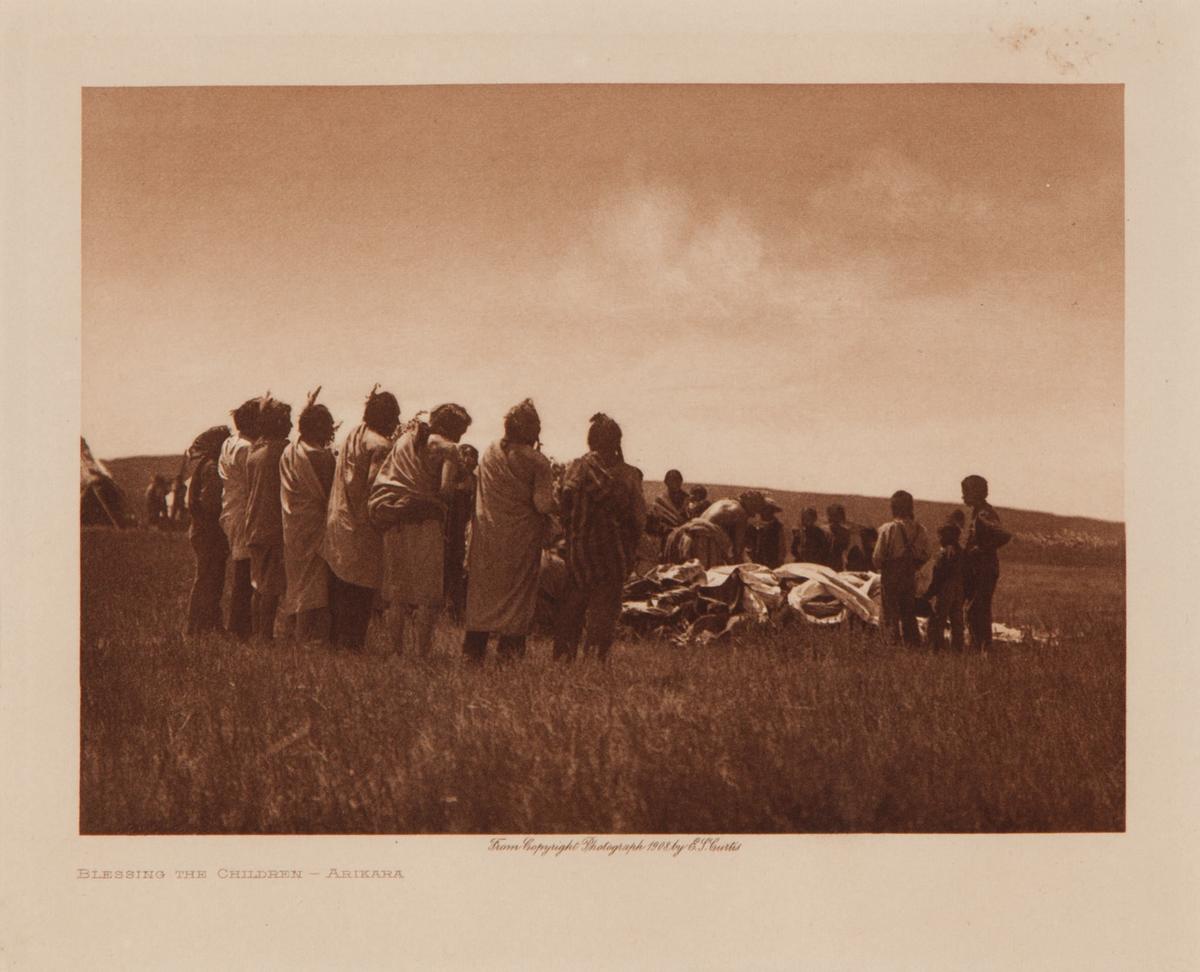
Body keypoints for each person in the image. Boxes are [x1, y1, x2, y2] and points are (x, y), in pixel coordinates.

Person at [369, 403, 472, 657]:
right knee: (427, 595)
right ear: (454, 428)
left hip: (394, 515)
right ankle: (420, 655)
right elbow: (446, 491)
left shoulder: (406, 439)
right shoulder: (449, 449)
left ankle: (395, 653)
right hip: (425, 520)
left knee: (397, 594)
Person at [462, 399, 558, 664]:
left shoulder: (490, 451)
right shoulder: (537, 461)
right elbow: (542, 503)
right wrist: (559, 505)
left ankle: (473, 654)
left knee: (483, 596)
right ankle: (509, 659)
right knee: (517, 598)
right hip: (520, 538)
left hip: (488, 535)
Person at [553, 414, 645, 662]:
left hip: (578, 551)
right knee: (604, 610)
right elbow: (638, 519)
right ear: (617, 441)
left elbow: (562, 507)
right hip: (612, 553)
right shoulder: (629, 475)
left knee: (572, 606)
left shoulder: (574, 467)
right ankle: (595, 660)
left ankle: (563, 658)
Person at [322, 387, 400, 651]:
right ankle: (351, 645)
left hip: (337, 517)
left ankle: (334, 643)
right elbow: (375, 487)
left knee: (339, 585)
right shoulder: (380, 445)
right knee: (360, 587)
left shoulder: (353, 436)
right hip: (361, 522)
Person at [280, 393, 337, 644]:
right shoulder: (322, 457)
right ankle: (307, 637)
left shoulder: (291, 451)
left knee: (297, 580)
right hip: (314, 522)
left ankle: (291, 633)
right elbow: (331, 493)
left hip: (292, 522)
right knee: (314, 583)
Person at [244, 397, 292, 642]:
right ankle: (265, 635)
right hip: (272, 525)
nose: (292, 426)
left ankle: (257, 633)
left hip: (253, 525)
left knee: (258, 585)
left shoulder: (255, 452)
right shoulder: (282, 451)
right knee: (271, 587)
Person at [183, 425, 232, 635]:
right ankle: (196, 627)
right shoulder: (212, 468)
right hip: (209, 532)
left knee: (208, 578)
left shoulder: (204, 465)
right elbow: (211, 503)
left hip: (203, 531)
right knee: (209, 579)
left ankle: (207, 625)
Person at [219, 397, 260, 640]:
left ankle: (239, 626)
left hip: (232, 510)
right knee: (246, 573)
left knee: (242, 570)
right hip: (244, 512)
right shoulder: (246, 448)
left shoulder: (229, 443)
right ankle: (240, 627)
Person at [872, 490, 931, 646]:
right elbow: (927, 554)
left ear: (894, 508)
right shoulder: (921, 529)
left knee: (889, 610)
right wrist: (915, 565)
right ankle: (912, 642)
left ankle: (890, 643)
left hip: (891, 574)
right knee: (908, 610)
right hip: (910, 574)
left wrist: (884, 567)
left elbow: (877, 557)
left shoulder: (888, 528)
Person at [961, 474, 1011, 650]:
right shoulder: (981, 512)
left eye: (966, 492)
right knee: (977, 610)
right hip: (980, 569)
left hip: (983, 569)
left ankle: (980, 648)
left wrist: (981, 549)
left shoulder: (983, 514)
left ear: (975, 492)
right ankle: (981, 647)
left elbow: (1003, 535)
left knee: (976, 611)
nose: (963, 496)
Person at [664, 490, 767, 569]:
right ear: (751, 502)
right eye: (757, 508)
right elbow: (737, 550)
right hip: (703, 541)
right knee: (706, 581)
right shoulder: (741, 513)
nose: (755, 514)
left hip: (687, 537)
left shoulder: (725, 502)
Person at [444, 443, 478, 623]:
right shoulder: (452, 478)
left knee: (458, 568)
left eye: (472, 456)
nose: (469, 459)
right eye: (466, 455)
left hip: (463, 527)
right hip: (449, 527)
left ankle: (456, 610)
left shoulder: (474, 480)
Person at [923, 520, 966, 651]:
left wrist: (928, 594)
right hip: (959, 589)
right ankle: (957, 649)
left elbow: (938, 577)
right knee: (957, 621)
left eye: (941, 536)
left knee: (937, 620)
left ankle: (935, 648)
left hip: (945, 589)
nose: (939, 539)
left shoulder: (943, 555)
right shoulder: (962, 553)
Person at [646, 469, 690, 554]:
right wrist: (668, 529)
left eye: (677, 480)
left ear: (681, 482)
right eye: (672, 481)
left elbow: (693, 518)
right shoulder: (660, 501)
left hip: (687, 540)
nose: (675, 484)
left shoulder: (688, 499)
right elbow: (654, 523)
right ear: (666, 482)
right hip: (667, 540)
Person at [746, 498, 787, 568]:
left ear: (772, 511)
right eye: (764, 509)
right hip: (756, 561)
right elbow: (749, 544)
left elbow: (782, 545)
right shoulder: (753, 525)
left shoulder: (778, 526)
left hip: (773, 561)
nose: (766, 512)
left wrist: (780, 561)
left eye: (768, 509)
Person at [825, 503, 852, 571]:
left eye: (836, 515)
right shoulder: (824, 531)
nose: (834, 518)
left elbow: (845, 549)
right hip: (825, 563)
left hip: (838, 563)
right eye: (832, 515)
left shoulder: (845, 532)